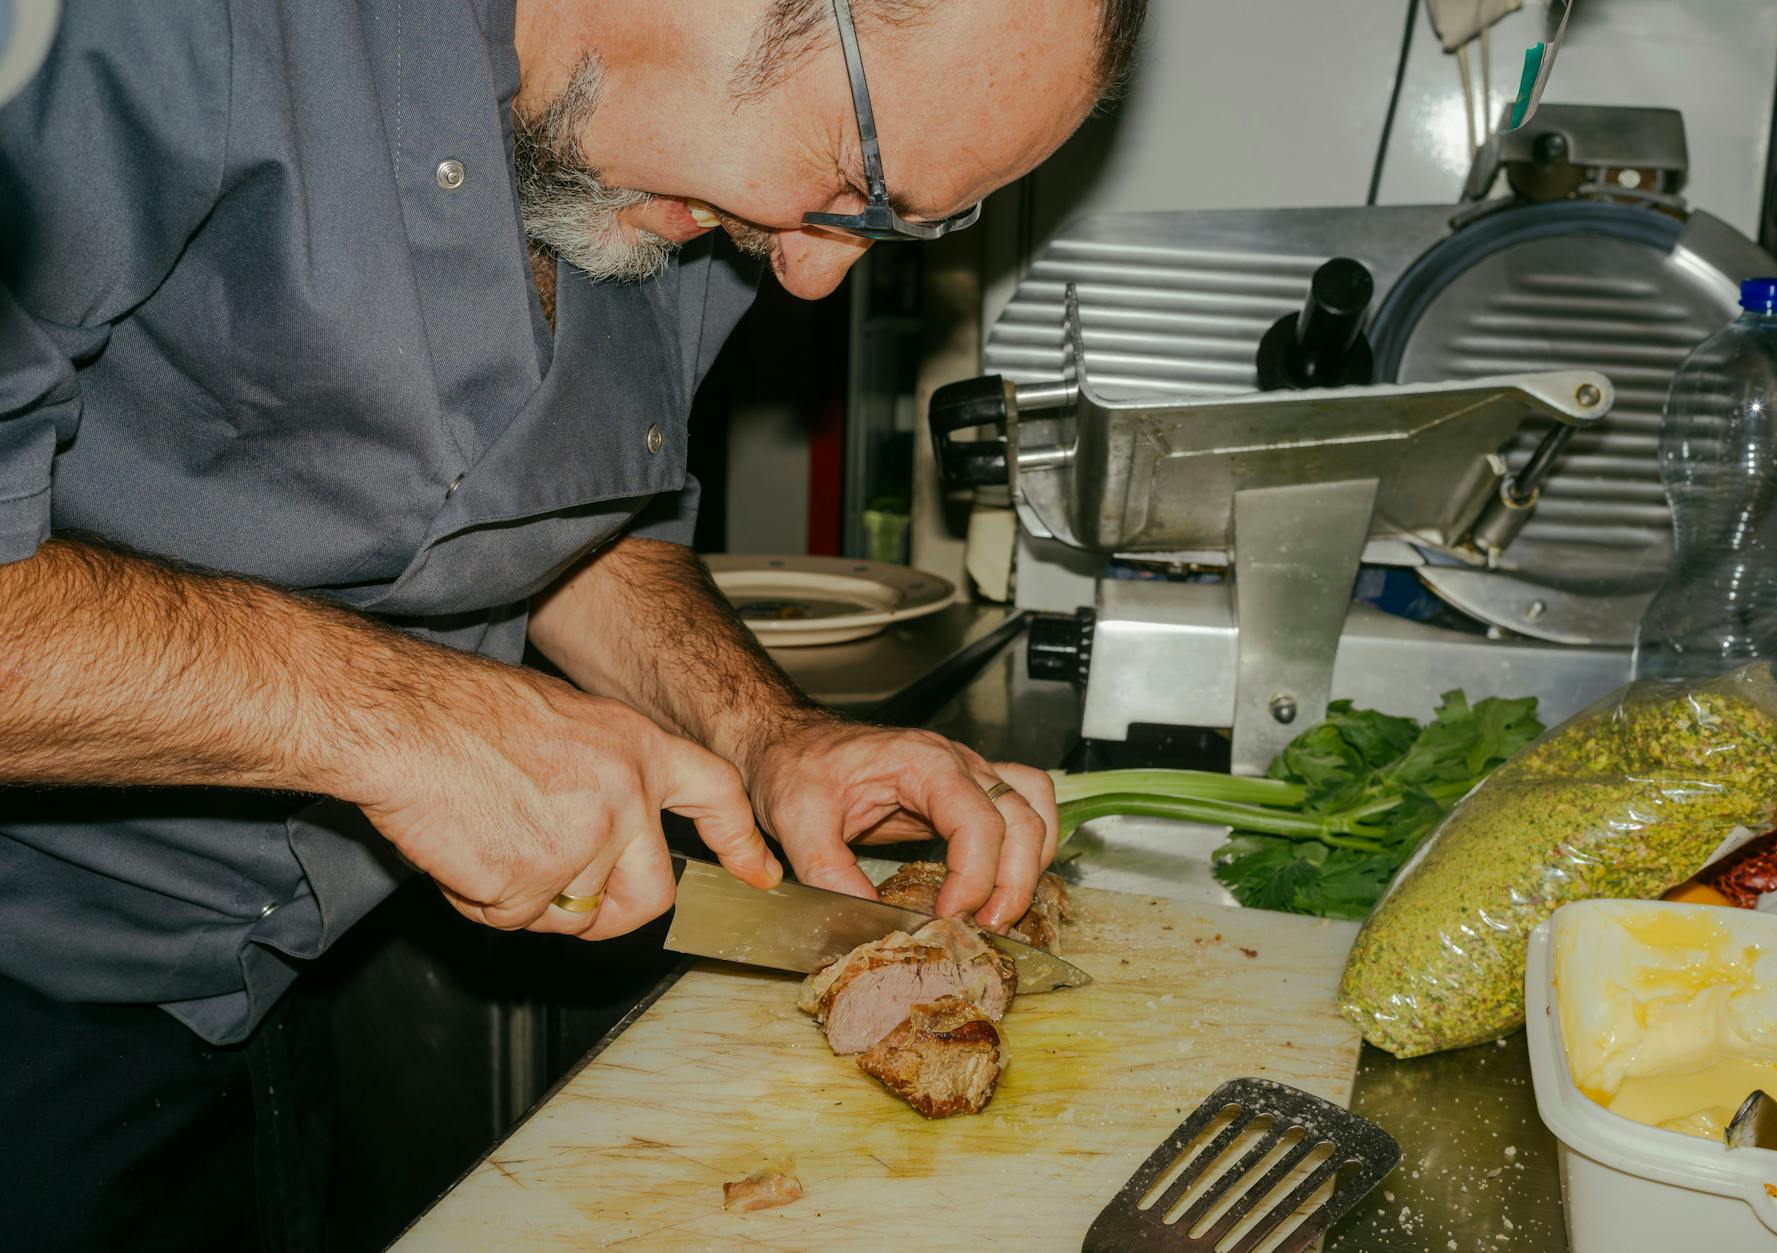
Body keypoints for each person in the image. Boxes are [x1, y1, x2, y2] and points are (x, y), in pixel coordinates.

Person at [0, 0, 1146, 1246]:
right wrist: (400, 718)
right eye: (853, 180)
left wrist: (769, 734)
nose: (813, 270)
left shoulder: (690, 182)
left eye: (897, 225)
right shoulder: (158, 28)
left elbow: (568, 527)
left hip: (262, 989)